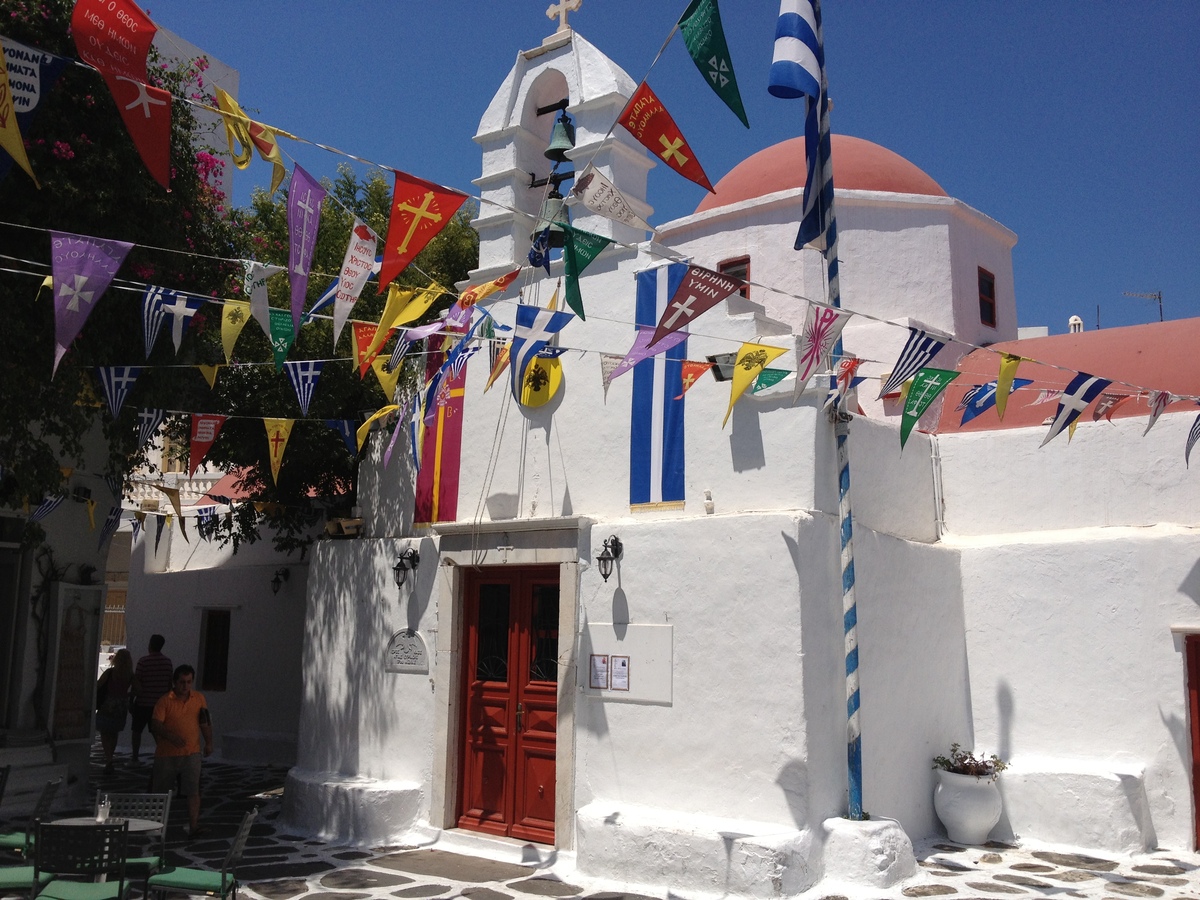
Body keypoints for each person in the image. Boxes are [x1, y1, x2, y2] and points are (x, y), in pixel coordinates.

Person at [150, 665, 213, 837]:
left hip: (191, 752)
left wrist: (209, 742)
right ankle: (156, 825)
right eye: (182, 682)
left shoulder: (199, 699)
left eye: (189, 682)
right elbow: (155, 724)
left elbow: (204, 722)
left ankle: (194, 825)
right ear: (175, 682)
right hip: (167, 754)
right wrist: (171, 737)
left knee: (193, 791)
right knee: (161, 793)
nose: (185, 686)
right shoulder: (165, 701)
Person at [95, 649, 139, 778]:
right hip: (121, 706)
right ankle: (111, 756)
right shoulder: (130, 675)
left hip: (108, 704)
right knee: (114, 733)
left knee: (104, 732)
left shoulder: (110, 672)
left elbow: (98, 684)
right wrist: (127, 695)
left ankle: (108, 758)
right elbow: (139, 690)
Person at [130, 634, 173, 764]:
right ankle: (163, 755)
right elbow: (169, 684)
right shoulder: (167, 662)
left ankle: (135, 757)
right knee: (158, 732)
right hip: (159, 704)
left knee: (137, 731)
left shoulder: (143, 662)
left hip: (143, 703)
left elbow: (137, 682)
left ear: (150, 645)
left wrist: (131, 700)